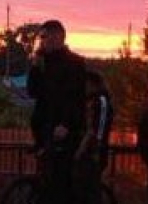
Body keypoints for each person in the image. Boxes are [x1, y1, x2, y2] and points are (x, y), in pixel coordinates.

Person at [26, 19, 88, 204]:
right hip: (44, 126)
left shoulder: (74, 63)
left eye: (45, 37)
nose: (42, 41)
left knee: (61, 181)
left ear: (57, 37)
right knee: (46, 180)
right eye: (41, 38)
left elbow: (76, 98)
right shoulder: (43, 62)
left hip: (64, 130)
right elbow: (32, 92)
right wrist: (35, 68)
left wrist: (66, 124)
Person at [74, 70, 114, 204]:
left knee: (90, 190)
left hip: (94, 152)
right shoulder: (90, 100)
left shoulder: (101, 101)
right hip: (87, 150)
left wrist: (85, 149)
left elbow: (97, 129)